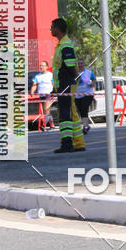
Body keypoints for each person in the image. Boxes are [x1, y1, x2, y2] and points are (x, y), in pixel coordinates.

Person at [50, 18, 85, 154]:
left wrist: (66, 80)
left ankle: (67, 143)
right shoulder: (62, 44)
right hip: (64, 84)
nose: (50, 29)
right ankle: (77, 143)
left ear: (58, 29)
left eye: (52, 27)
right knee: (71, 113)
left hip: (66, 84)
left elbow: (70, 65)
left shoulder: (65, 45)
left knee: (66, 114)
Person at [31, 60, 55, 130]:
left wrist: (54, 92)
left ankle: (43, 125)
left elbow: (54, 84)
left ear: (47, 67)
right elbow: (34, 85)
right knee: (46, 111)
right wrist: (32, 91)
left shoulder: (50, 75)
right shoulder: (37, 76)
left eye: (43, 66)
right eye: (40, 66)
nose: (41, 67)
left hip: (49, 94)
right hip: (41, 95)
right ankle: (52, 124)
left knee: (46, 109)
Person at [75, 58, 96, 134]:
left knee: (84, 108)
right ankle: (86, 125)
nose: (80, 65)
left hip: (88, 94)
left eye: (81, 63)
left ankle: (85, 126)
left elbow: (94, 79)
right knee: (80, 110)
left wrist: (92, 84)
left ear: (83, 64)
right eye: (78, 64)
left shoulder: (88, 72)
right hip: (78, 94)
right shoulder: (75, 73)